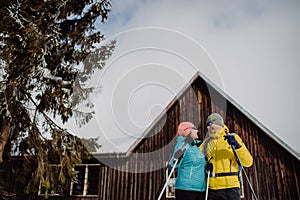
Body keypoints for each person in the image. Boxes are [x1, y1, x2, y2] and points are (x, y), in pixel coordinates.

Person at [199, 113, 253, 200]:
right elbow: (195, 158)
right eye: (207, 125)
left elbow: (248, 162)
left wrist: (238, 146)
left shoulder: (232, 138)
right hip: (211, 188)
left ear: (218, 124)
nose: (207, 128)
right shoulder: (207, 142)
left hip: (230, 188)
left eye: (209, 124)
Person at [169, 121, 206, 200]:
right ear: (188, 131)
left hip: (200, 188)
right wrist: (177, 157)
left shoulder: (196, 147)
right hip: (186, 188)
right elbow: (173, 163)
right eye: (195, 129)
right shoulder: (182, 144)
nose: (197, 131)